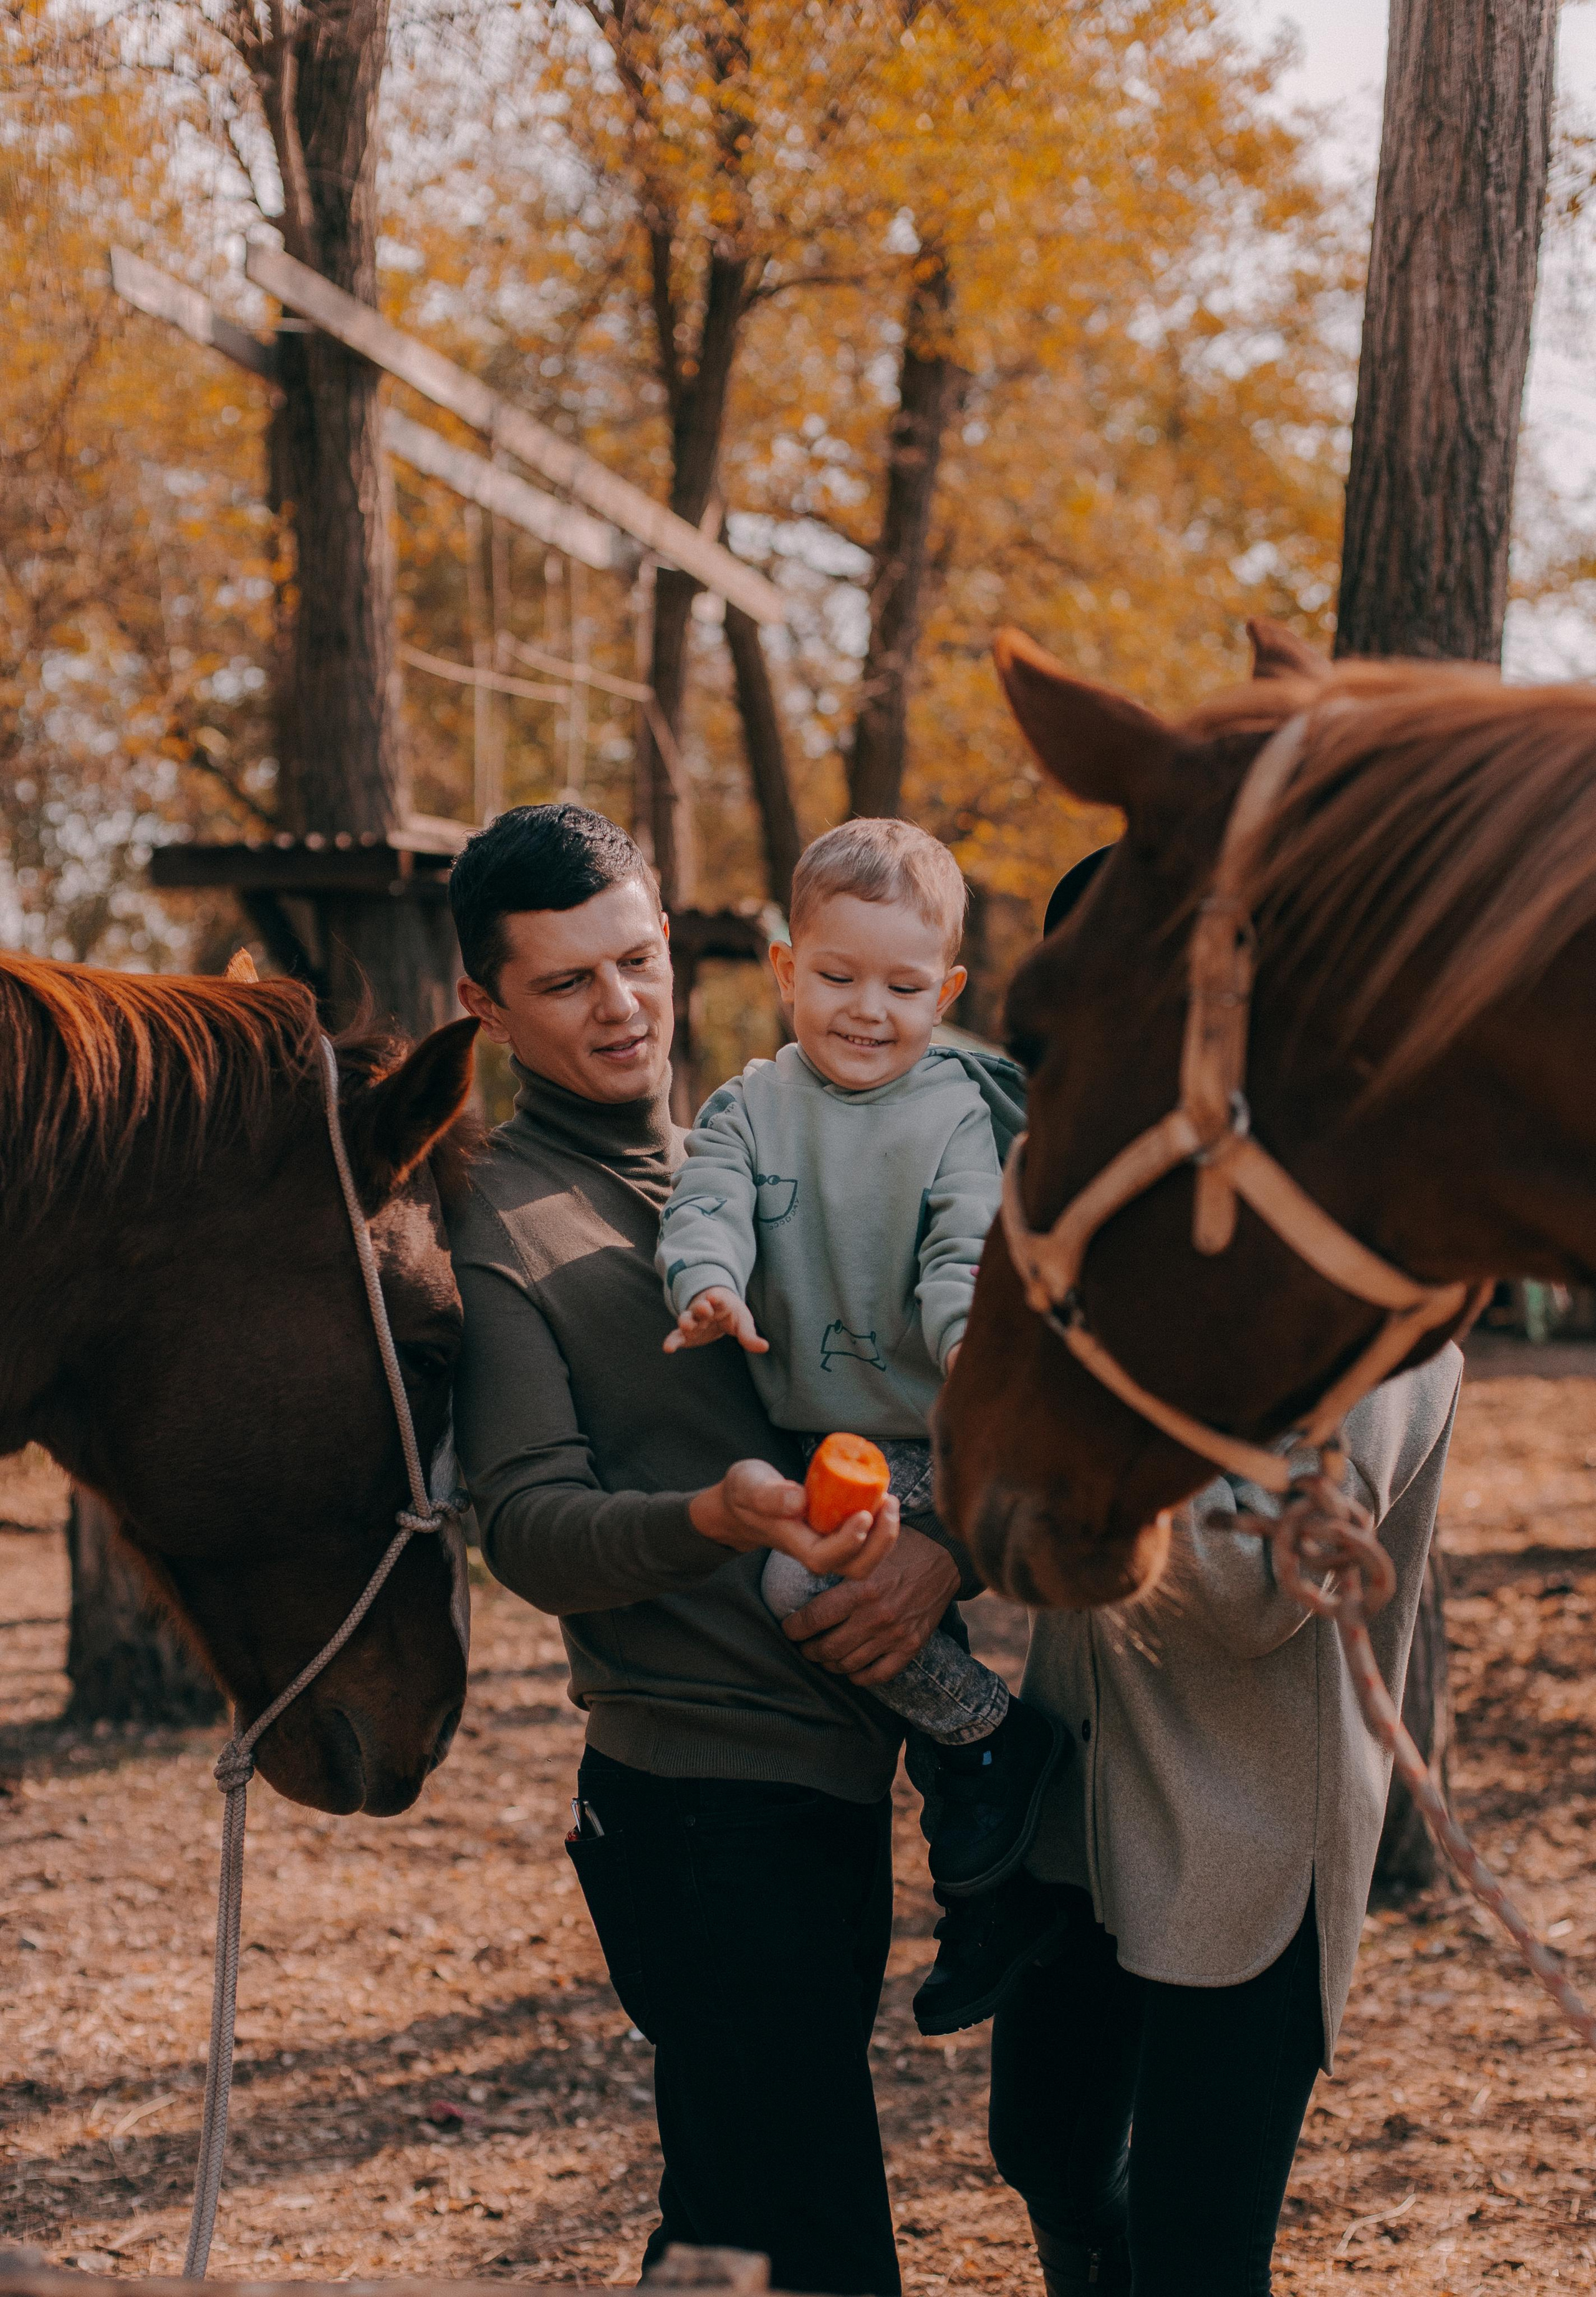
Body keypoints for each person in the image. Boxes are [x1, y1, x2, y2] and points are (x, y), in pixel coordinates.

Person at [444, 802, 969, 2297]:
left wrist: (940, 1544)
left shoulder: (772, 1144)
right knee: (798, 2229)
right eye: (563, 984)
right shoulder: (499, 1221)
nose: (620, 1007)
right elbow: (531, 1532)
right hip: (696, 1801)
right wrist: (714, 1520)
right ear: (484, 1007)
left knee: (735, 2215)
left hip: (831, 1773)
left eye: (636, 960)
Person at [949, 851, 1464, 2297]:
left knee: (1198, 2255)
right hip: (1082, 1810)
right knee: (1042, 2155)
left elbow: (1246, 1597)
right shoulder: (1085, 1217)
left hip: (1249, 1850)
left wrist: (1075, 1426)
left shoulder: (1386, 1274)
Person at [655, 818, 1065, 1921]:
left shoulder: (950, 1113)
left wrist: (976, 1345)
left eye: (903, 985)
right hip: (820, 1438)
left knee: (803, 1583)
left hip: (932, 1427)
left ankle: (993, 1738)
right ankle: (975, 1838)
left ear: (947, 990)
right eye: (837, 976)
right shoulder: (750, 1105)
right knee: (824, 1589)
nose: (868, 1011)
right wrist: (710, 1286)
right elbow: (707, 1205)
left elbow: (963, 1245)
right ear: (788, 969)